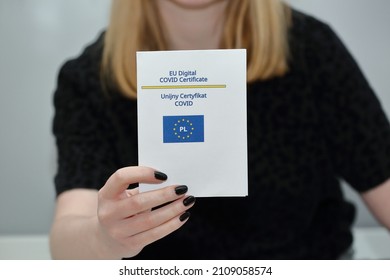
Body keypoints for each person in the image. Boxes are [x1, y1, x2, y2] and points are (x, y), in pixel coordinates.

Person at [50, 0, 390, 259]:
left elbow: (383, 180)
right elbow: (66, 239)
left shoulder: (311, 50)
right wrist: (104, 238)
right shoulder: (90, 79)